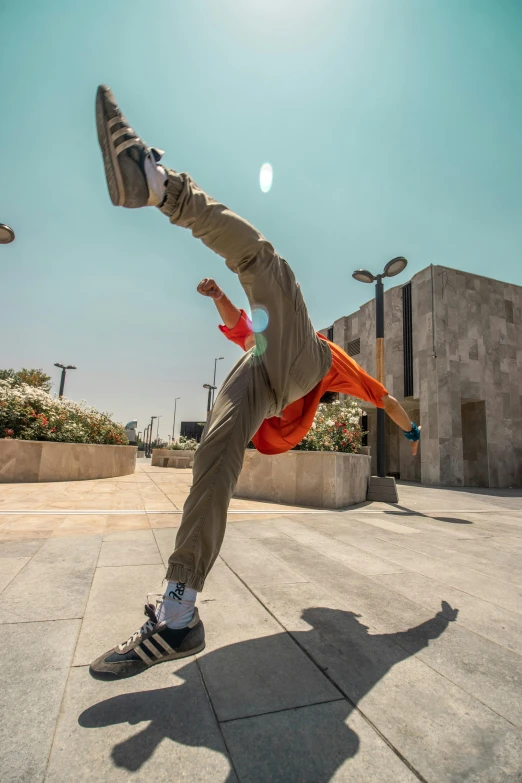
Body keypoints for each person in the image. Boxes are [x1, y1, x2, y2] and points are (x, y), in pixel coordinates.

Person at [90, 85, 421, 680]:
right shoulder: (263, 338)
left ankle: (160, 186)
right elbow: (244, 331)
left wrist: (413, 427)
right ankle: (178, 614)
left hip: (297, 369)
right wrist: (219, 297)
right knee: (213, 454)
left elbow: (388, 399)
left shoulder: (331, 360)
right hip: (263, 375)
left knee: (267, 265)